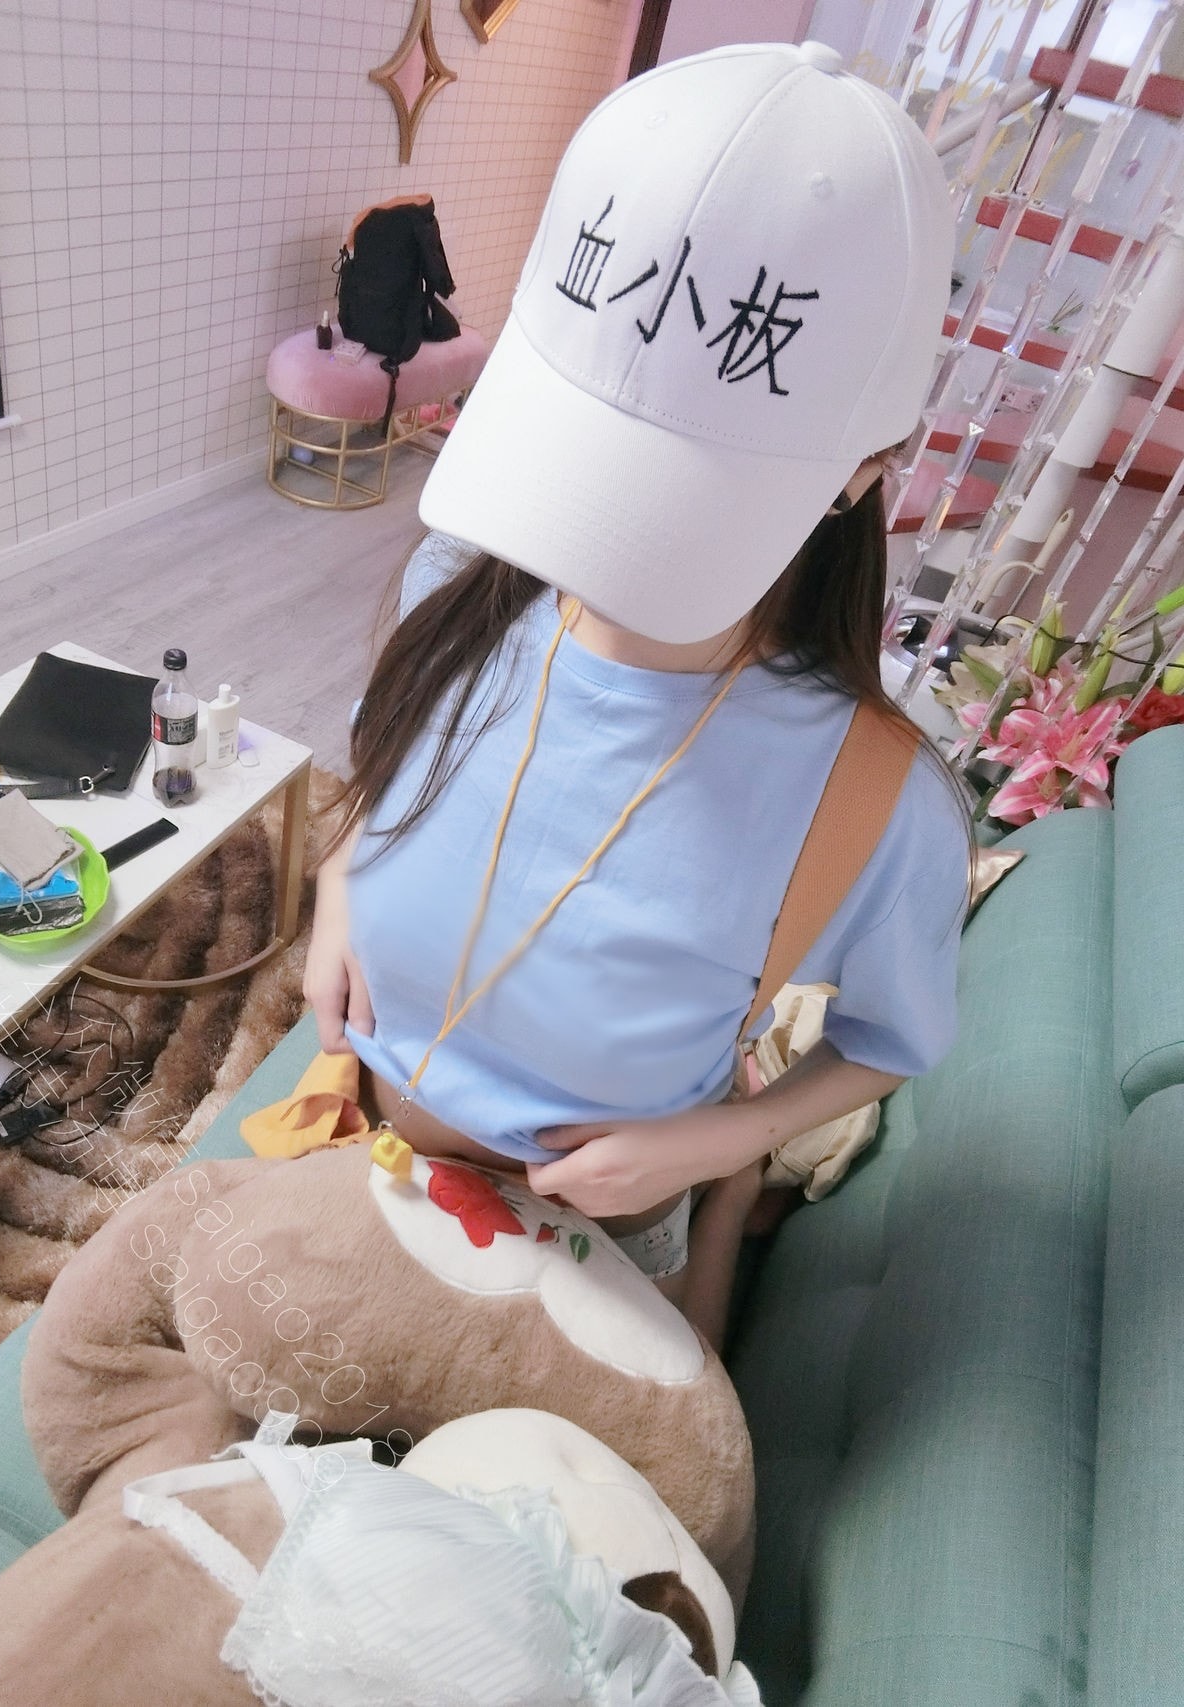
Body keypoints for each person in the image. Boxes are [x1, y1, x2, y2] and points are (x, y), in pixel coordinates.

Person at [304, 42, 970, 1350]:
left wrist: (718, 1139)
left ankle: (722, 1225)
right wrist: (341, 880)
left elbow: (893, 1036)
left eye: (681, 491)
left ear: (868, 466)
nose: (596, 545)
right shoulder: (460, 583)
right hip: (369, 1126)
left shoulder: (879, 801)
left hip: (602, 1225)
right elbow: (391, 773)